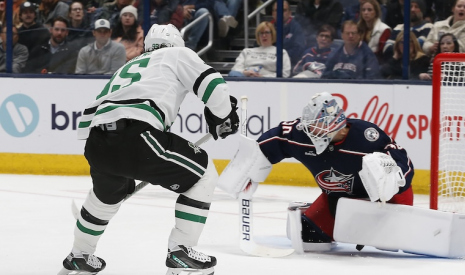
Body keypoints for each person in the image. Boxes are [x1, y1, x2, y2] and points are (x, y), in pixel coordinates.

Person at [58, 23, 239, 275]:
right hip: (137, 135)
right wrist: (223, 115)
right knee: (203, 173)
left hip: (96, 142)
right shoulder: (177, 54)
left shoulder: (129, 65)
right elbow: (214, 86)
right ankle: (181, 251)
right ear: (177, 43)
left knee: (106, 196)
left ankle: (80, 255)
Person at [219, 91, 414, 253]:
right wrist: (248, 163)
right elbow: (272, 142)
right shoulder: (301, 134)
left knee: (387, 244)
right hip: (338, 201)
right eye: (309, 127)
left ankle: (392, 228)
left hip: (384, 201)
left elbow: (401, 159)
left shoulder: (366, 137)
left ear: (335, 123)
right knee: (308, 236)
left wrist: (397, 179)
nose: (311, 133)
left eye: (316, 127)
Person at [270, 0, 305, 66]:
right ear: (272, 13)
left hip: (290, 63)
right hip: (269, 62)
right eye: (277, 10)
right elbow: (258, 45)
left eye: (284, 10)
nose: (280, 12)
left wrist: (281, 56)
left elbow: (299, 49)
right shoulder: (267, 27)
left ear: (290, 13)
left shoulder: (296, 27)